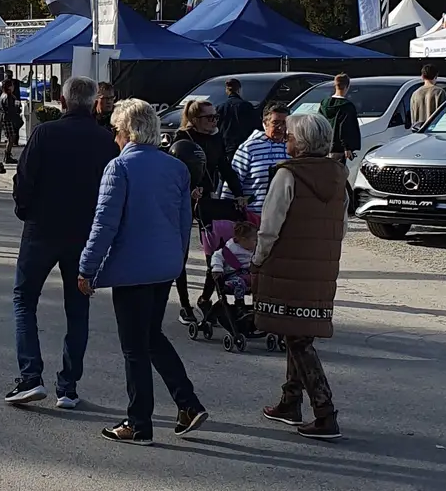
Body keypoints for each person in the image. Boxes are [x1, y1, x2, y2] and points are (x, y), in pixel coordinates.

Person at [78, 98, 209, 446]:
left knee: (134, 347)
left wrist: (86, 268)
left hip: (132, 267)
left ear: (126, 131)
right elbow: (185, 223)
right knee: (152, 337)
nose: (114, 138)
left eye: (116, 131)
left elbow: (104, 224)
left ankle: (139, 423)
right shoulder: (176, 168)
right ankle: (187, 402)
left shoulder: (119, 168)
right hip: (164, 265)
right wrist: (176, 260)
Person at [4, 76, 117, 410]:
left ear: (62, 102)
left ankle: (30, 376)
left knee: (24, 299)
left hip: (42, 228)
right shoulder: (105, 141)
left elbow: (25, 179)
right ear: (94, 102)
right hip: (84, 233)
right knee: (77, 308)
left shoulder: (45, 133)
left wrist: (24, 210)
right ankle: (68, 387)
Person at [253, 112, 350, 442]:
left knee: (297, 338)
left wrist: (257, 260)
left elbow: (269, 227)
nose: (286, 141)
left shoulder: (288, 175)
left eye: (291, 136)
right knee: (297, 331)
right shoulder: (339, 175)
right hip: (321, 265)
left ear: (302, 142)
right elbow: (343, 226)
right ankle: (290, 401)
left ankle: (325, 412)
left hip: (289, 265)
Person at [170, 98, 246, 324]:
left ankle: (205, 298)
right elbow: (176, 171)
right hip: (185, 199)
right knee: (181, 255)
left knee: (216, 253)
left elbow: (225, 167)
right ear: (194, 120)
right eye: (209, 117)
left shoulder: (215, 138)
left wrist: (238, 193)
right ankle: (185, 305)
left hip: (208, 199)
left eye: (216, 116)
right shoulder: (183, 139)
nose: (215, 121)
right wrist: (190, 190)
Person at [232, 104, 291, 218]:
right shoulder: (249, 147)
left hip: (285, 216)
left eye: (284, 123)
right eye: (275, 122)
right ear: (265, 123)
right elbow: (234, 181)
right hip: (254, 217)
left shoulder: (292, 147)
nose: (280, 127)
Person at [318, 74, 361, 165]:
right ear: (347, 86)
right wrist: (347, 147)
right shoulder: (347, 106)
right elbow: (346, 127)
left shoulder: (324, 103)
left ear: (335, 85)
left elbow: (319, 122)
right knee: (338, 174)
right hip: (338, 148)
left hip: (324, 146)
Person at [215, 78, 259, 163]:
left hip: (226, 145)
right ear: (239, 90)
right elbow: (255, 126)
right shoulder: (247, 106)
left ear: (227, 90)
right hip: (244, 145)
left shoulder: (220, 107)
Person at [407, 64, 446, 129]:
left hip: (418, 130)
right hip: (435, 130)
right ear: (436, 76)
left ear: (422, 76)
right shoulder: (439, 92)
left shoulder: (415, 93)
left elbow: (413, 116)